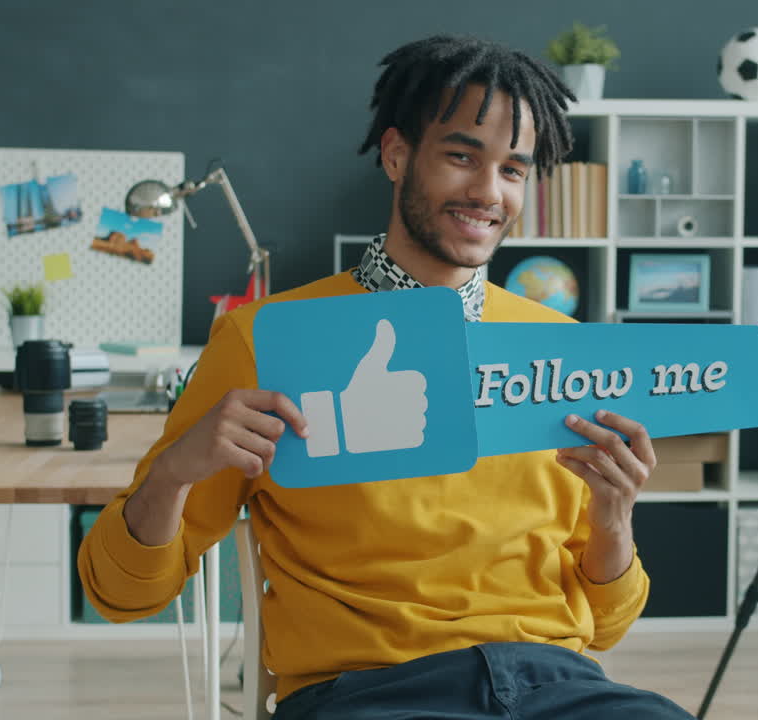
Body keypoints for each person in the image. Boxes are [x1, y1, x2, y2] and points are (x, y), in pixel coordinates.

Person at [78, 34, 695, 719]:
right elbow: (122, 593)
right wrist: (173, 471)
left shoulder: (559, 349)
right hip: (370, 692)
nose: (488, 192)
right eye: (462, 156)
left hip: (554, 684)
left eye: (513, 170)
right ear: (397, 155)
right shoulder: (266, 340)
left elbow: (605, 626)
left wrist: (614, 521)